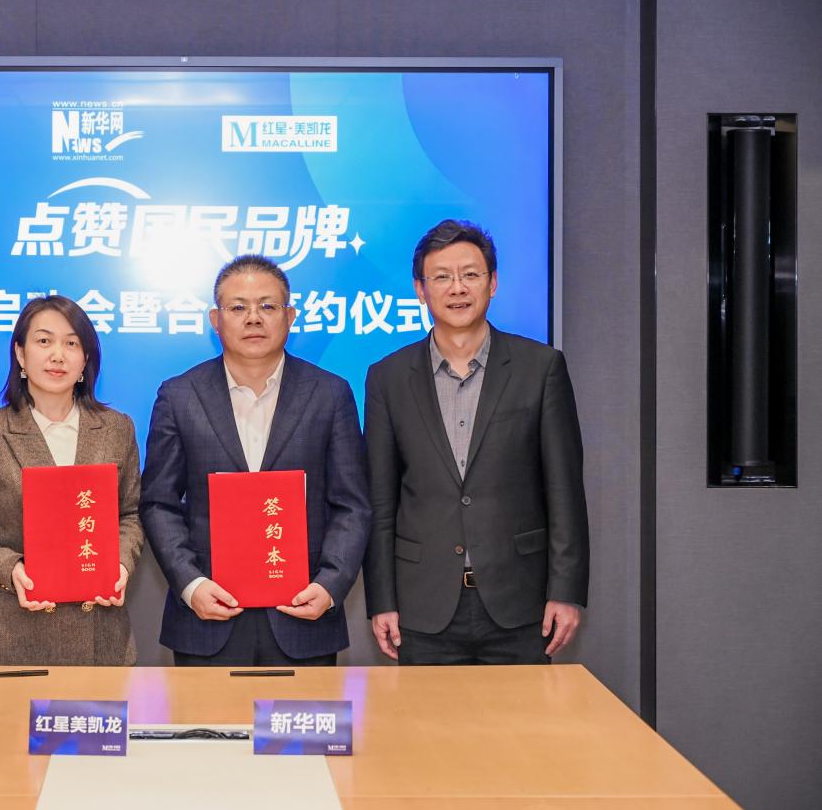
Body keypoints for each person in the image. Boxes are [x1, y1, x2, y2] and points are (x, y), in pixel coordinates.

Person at [363, 219, 590, 665]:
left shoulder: (540, 368)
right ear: (420, 290)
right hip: (422, 605)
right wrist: (381, 599)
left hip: (520, 602)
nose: (457, 288)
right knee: (426, 715)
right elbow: (381, 500)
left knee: (522, 714)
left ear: (493, 283)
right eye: (441, 277)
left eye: (470, 274)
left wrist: (566, 591)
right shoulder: (387, 378)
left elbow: (564, 490)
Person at [141, 255, 370, 666]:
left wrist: (330, 585)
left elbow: (351, 504)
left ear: (290, 317)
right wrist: (191, 584)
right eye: (238, 307)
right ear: (216, 320)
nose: (253, 318)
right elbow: (158, 503)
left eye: (267, 305)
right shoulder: (178, 396)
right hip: (206, 621)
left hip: (304, 617)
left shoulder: (330, 394)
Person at [0, 295, 143, 665]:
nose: (58, 356)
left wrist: (120, 565)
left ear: (86, 359)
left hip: (100, 633)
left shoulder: (117, 429)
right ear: (20, 354)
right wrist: (11, 567)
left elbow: (130, 514)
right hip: (12, 633)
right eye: (44, 341)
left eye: (71, 343)